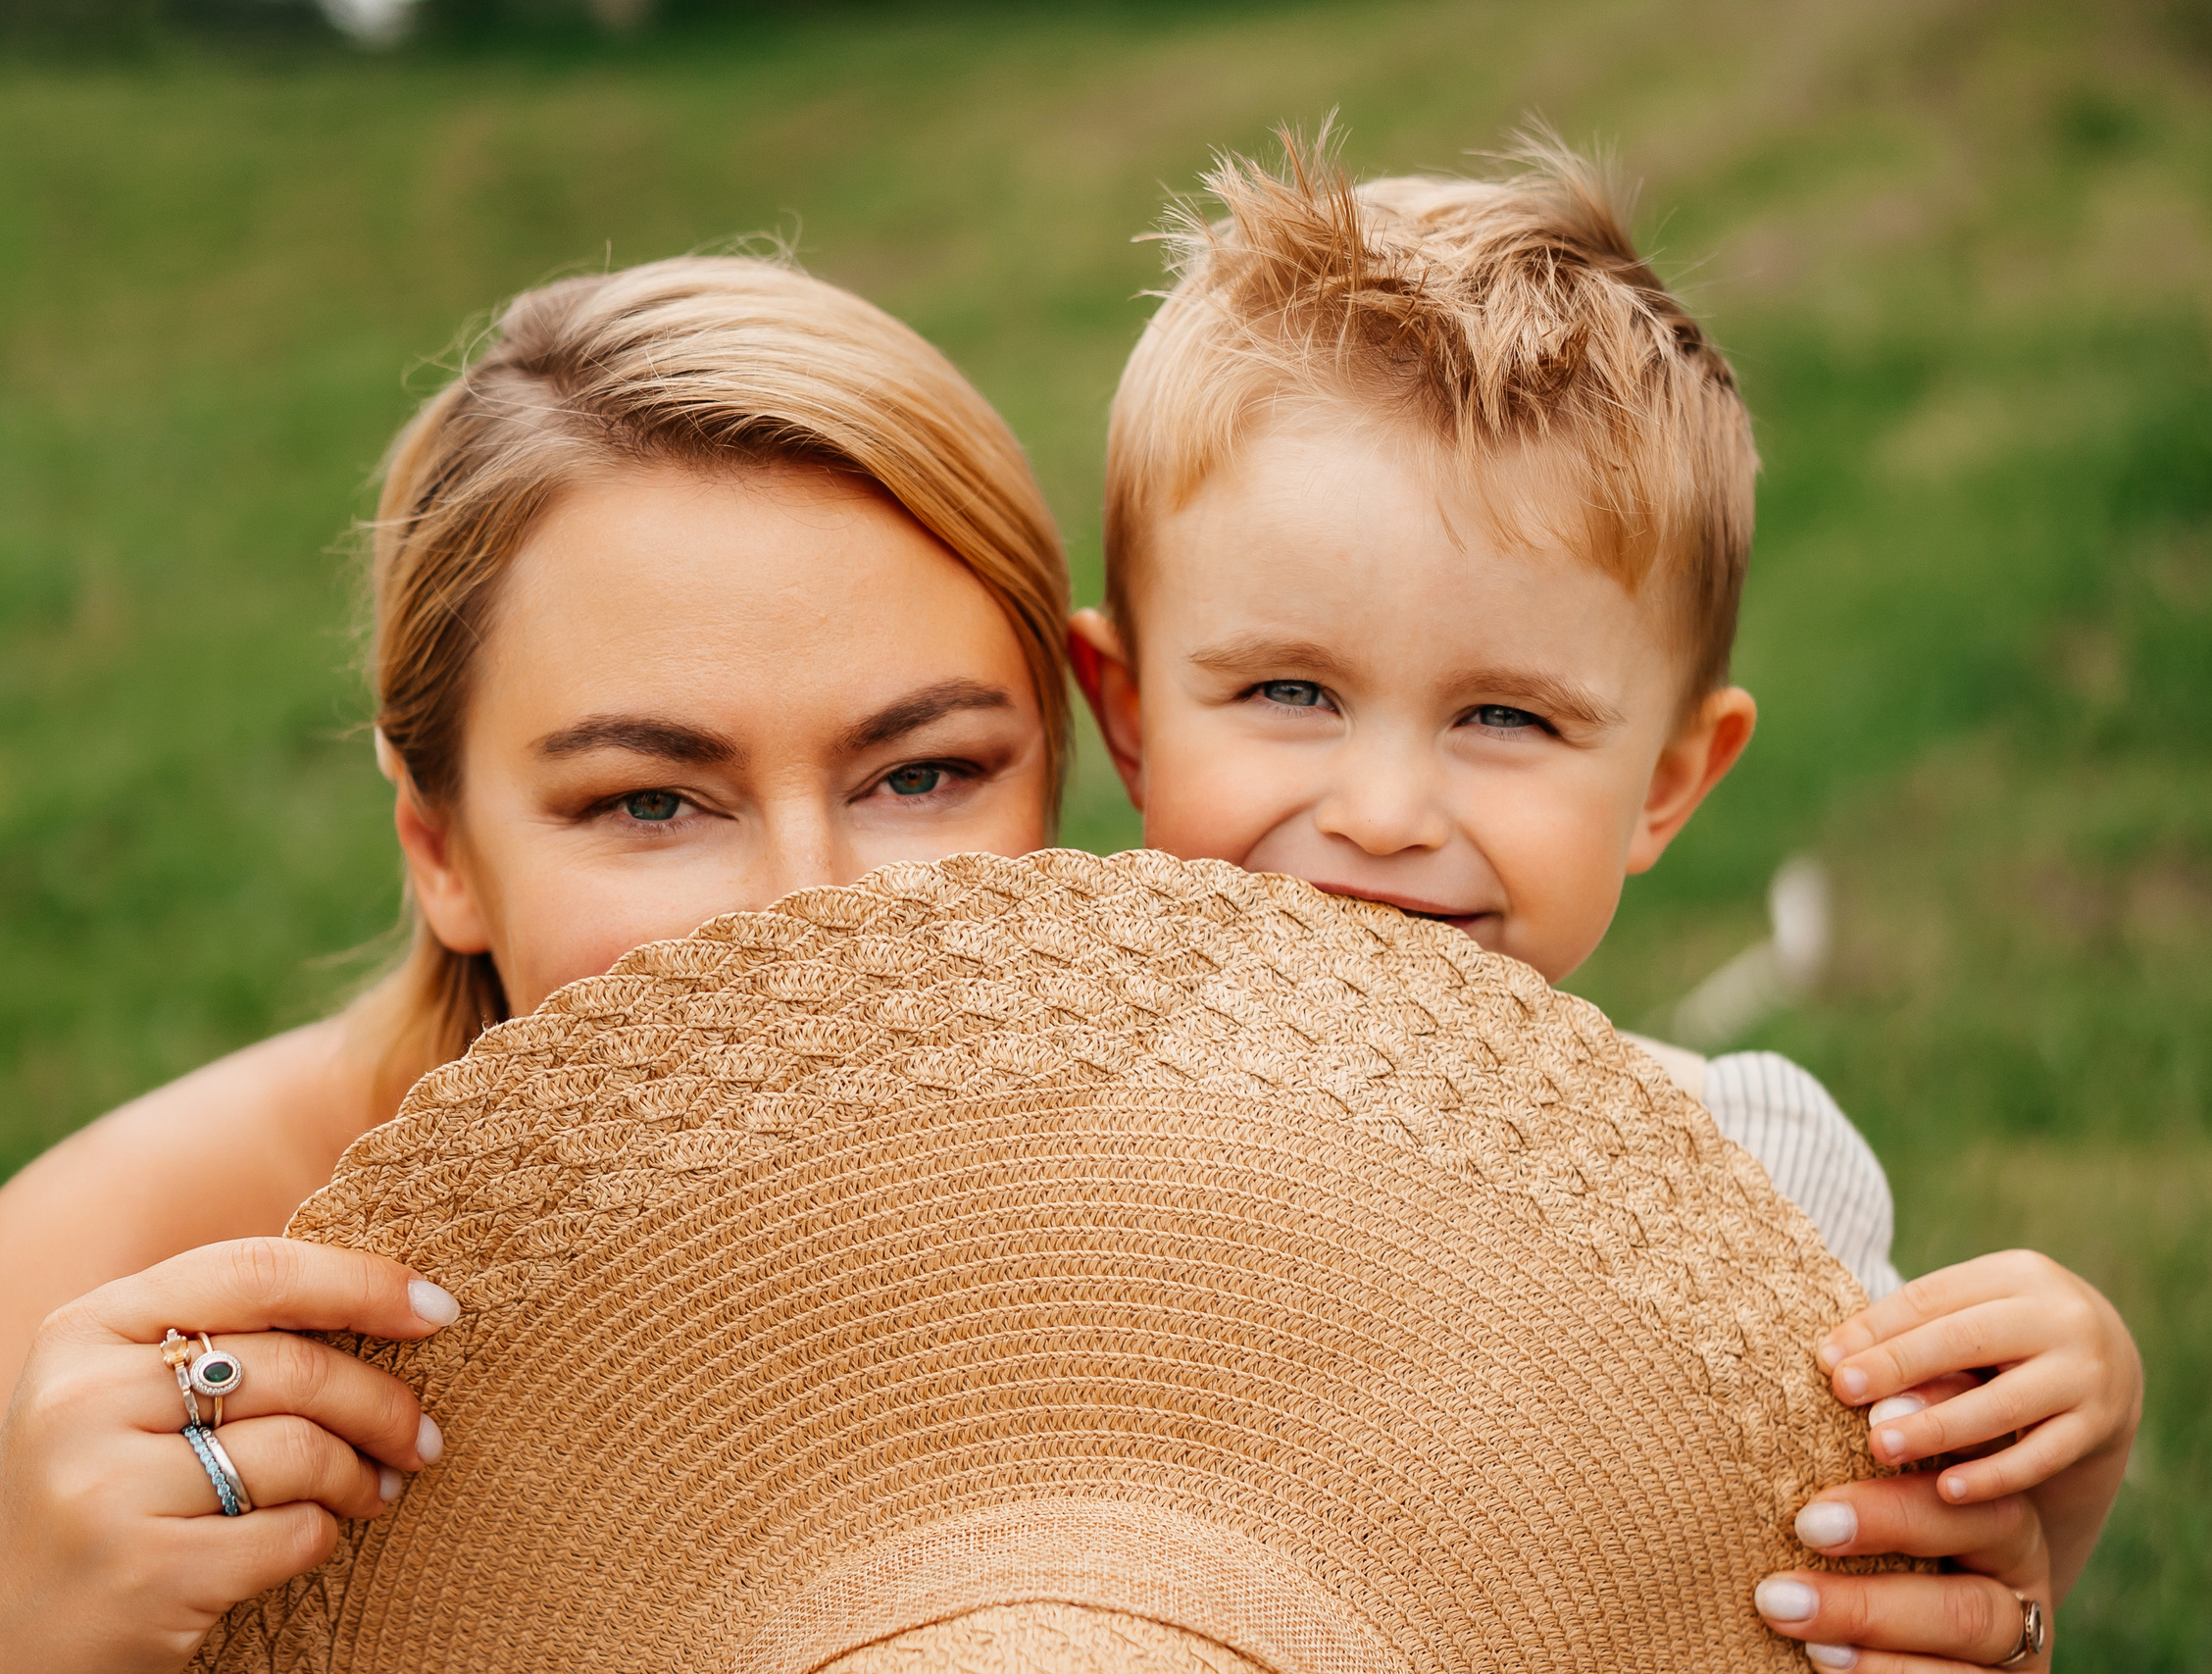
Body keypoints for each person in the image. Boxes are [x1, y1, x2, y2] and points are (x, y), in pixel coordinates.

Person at [0, 247, 2072, 1674]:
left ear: (1094, 749)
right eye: (651, 797)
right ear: (439, 845)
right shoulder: (142, 1277)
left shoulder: (1325, 1170)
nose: (820, 907)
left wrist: (2029, 1513)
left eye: (920, 768)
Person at [1067, 129, 2142, 1668]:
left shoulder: (1747, 1181)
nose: (1380, 815)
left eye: (1506, 717)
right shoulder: (1018, 1145)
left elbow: (1912, 1604)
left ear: (1667, 784)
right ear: (1128, 715)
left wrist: (2060, 1463)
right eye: (1290, 689)